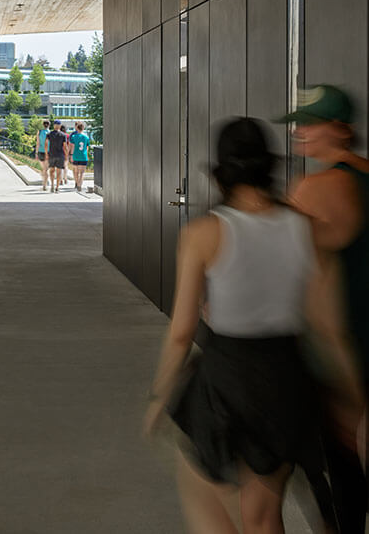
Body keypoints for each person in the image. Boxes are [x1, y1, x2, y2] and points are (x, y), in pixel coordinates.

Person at [145, 117, 362, 534]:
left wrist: (159, 396)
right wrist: (351, 399)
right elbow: (331, 330)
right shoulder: (311, 231)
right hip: (287, 377)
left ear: (222, 171)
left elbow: (181, 330)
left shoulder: (203, 233)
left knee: (200, 492)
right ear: (269, 167)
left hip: (226, 376)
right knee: (263, 516)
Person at [278, 85, 369, 533]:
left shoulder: (315, 189)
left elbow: (298, 283)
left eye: (310, 123)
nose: (300, 132)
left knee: (339, 491)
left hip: (337, 357)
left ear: (341, 129)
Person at [69, 122, 90, 192]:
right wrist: (87, 155)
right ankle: (80, 185)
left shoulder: (73, 137)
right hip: (83, 156)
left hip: (75, 156)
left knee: (75, 171)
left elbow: (72, 147)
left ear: (77, 128)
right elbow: (87, 148)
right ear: (83, 128)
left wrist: (71, 155)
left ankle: (77, 183)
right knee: (82, 172)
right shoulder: (86, 137)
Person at [46, 120, 66, 193]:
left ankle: (52, 185)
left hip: (51, 154)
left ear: (54, 125)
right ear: (60, 126)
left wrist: (46, 154)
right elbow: (65, 146)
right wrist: (66, 155)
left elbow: (46, 144)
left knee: (51, 171)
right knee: (59, 172)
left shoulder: (49, 134)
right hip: (60, 155)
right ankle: (57, 187)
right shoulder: (63, 135)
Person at [35, 121, 49, 190]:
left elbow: (38, 143)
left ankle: (44, 183)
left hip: (41, 151)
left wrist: (36, 153)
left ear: (43, 125)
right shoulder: (51, 133)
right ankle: (45, 185)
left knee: (43, 169)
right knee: (46, 169)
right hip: (48, 152)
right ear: (49, 125)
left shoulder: (39, 132)